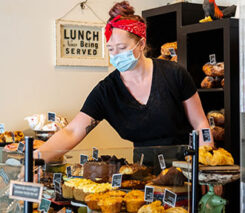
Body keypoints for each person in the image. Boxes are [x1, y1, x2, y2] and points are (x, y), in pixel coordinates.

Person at [34, 1, 213, 163]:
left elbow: (200, 124)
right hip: (143, 175)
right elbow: (71, 132)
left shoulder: (174, 74)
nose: (116, 55)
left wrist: (205, 164)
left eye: (122, 48)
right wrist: (34, 160)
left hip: (186, 171)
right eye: (111, 49)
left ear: (141, 44)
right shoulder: (107, 91)